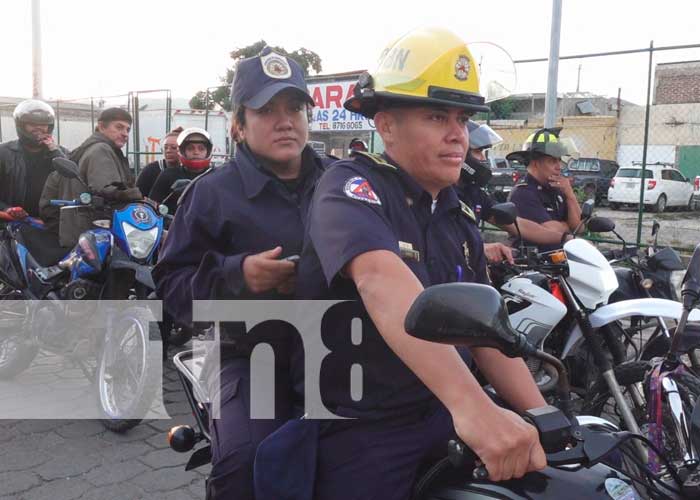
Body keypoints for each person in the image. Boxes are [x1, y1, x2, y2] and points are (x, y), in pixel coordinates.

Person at [271, 27, 547, 500]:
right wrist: (476, 410)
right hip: (364, 423)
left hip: (439, 409)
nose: (457, 133)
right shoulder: (352, 187)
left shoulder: (456, 215)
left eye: (461, 118)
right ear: (386, 125)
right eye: (437, 115)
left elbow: (487, 334)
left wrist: (545, 417)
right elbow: (381, 279)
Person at [152, 47, 335, 500]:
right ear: (238, 124)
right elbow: (171, 286)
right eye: (266, 110)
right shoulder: (211, 193)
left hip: (341, 348)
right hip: (249, 355)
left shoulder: (341, 181)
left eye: (294, 107)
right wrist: (240, 276)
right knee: (248, 464)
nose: (285, 120)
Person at [456, 121, 573, 262]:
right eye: (478, 152)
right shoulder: (440, 193)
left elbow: (519, 225)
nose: (484, 159)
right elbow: (436, 241)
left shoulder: (474, 193)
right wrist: (481, 247)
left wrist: (566, 238)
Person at [39, 107, 141, 246]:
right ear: (101, 127)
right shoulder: (101, 149)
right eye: (119, 127)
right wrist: (138, 197)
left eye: (127, 130)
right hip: (95, 233)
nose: (125, 134)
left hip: (83, 233)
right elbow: (108, 189)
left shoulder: (88, 149)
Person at [506, 128, 582, 252]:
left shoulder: (558, 189)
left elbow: (579, 227)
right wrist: (567, 225)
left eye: (559, 160)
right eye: (552, 161)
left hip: (559, 261)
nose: (558, 167)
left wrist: (570, 195)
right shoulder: (523, 193)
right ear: (535, 164)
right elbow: (549, 232)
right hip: (533, 264)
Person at [0, 100, 67, 218]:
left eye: (43, 124)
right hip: (13, 222)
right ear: (21, 125)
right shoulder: (4, 153)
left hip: (50, 222)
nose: (39, 128)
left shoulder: (60, 153)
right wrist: (6, 209)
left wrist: (54, 151)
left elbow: (70, 179)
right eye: (32, 124)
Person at [148, 127, 213, 215]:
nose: (196, 152)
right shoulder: (168, 174)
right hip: (173, 225)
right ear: (182, 151)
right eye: (190, 148)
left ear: (208, 151)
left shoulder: (215, 176)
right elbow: (151, 206)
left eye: (201, 149)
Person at [136, 126, 183, 197]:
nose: (168, 151)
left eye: (174, 147)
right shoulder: (150, 170)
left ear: (183, 149)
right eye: (165, 147)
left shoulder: (189, 171)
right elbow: (138, 196)